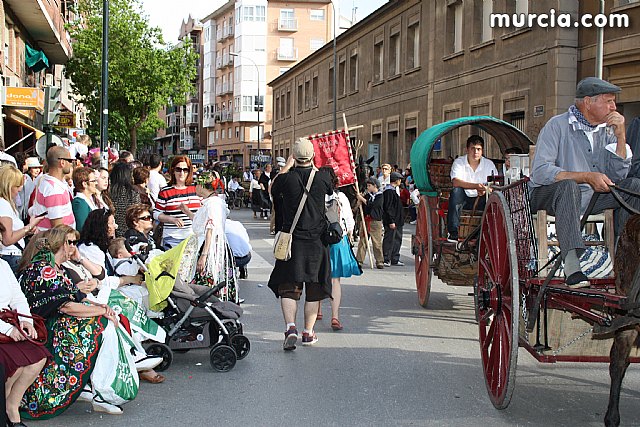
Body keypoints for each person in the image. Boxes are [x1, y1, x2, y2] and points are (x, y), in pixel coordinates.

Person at [529, 77, 640, 288]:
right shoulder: (557, 126)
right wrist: (586, 176)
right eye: (608, 101)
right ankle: (572, 264)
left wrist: (621, 138)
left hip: (589, 199)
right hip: (549, 196)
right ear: (588, 102)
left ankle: (626, 257)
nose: (613, 107)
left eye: (613, 102)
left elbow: (618, 178)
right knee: (569, 187)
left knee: (634, 187)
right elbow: (541, 172)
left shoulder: (606, 130)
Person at [19, 227, 129, 417]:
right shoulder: (43, 270)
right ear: (61, 245)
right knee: (102, 327)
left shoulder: (55, 268)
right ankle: (101, 392)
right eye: (70, 243)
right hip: (44, 330)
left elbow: (77, 298)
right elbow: (66, 306)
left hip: (55, 324)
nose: (73, 247)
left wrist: (103, 308)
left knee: (108, 321)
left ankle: (97, 386)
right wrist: (102, 310)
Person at [268, 137, 333, 350]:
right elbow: (332, 194)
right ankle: (308, 332)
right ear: (312, 156)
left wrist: (287, 166)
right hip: (316, 243)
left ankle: (290, 327)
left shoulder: (286, 179)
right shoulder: (322, 178)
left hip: (291, 242)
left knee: (288, 288)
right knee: (314, 289)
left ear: (294, 157)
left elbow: (273, 190)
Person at [0, 258, 49, 427]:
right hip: (3, 328)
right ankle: (5, 408)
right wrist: (7, 329)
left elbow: (18, 296)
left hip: (7, 323)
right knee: (16, 364)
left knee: (38, 357)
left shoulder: (3, 265)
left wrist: (25, 320)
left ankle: (11, 406)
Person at [317, 167, 361, 331]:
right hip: (337, 239)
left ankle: (318, 309)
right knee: (335, 280)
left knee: (319, 275)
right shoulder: (341, 196)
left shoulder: (316, 195)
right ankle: (335, 316)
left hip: (320, 239)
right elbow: (350, 223)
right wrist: (349, 233)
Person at [191, 172, 235, 302]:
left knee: (208, 279)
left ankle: (211, 307)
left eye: (196, 184)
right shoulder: (214, 202)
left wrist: (204, 255)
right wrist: (185, 211)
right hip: (214, 246)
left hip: (211, 248)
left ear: (201, 185)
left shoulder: (212, 204)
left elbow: (210, 229)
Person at [447, 135, 498, 243]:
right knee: (456, 191)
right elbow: (456, 181)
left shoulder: (489, 165)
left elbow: (495, 185)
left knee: (493, 198)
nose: (476, 152)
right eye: (473, 149)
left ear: (482, 150)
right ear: (467, 149)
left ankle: (484, 234)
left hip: (481, 199)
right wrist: (476, 186)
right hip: (464, 198)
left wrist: (485, 190)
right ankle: (454, 232)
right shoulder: (459, 162)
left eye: (478, 149)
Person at [0, 166, 43, 274]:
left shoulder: (7, 203)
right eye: (17, 186)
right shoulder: (3, 205)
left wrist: (28, 230)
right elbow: (7, 239)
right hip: (10, 256)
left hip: (12, 254)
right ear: (8, 186)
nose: (20, 189)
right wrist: (29, 227)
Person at [154, 155, 202, 248]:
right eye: (178, 169)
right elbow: (156, 213)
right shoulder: (165, 191)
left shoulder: (196, 190)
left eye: (185, 170)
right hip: (171, 239)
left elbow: (205, 213)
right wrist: (171, 219)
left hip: (193, 239)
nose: (182, 173)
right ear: (173, 170)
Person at [28, 146, 76, 231]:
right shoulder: (54, 190)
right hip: (55, 241)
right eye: (70, 161)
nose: (71, 163)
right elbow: (57, 228)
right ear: (62, 162)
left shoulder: (47, 181)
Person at [355, 177, 385, 269]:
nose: (368, 187)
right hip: (366, 220)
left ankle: (379, 261)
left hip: (375, 221)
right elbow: (360, 206)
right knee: (363, 242)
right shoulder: (367, 195)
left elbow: (374, 205)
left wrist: (363, 199)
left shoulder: (380, 196)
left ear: (374, 186)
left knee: (376, 242)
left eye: (369, 186)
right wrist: (359, 199)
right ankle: (359, 260)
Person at [109, 162, 141, 237]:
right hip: (130, 233)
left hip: (113, 233)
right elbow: (137, 213)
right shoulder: (133, 193)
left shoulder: (109, 193)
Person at [382, 172, 405, 266]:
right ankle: (386, 258)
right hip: (392, 221)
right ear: (397, 180)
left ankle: (395, 258)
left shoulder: (394, 190)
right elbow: (389, 207)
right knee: (389, 239)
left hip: (398, 220)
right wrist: (391, 220)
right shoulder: (389, 191)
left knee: (397, 239)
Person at [71, 167, 98, 232]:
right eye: (93, 181)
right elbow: (82, 228)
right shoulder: (79, 203)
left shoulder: (90, 198)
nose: (96, 183)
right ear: (84, 184)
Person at [17, 157, 42, 222]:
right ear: (29, 169)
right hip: (23, 214)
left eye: (38, 168)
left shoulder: (37, 180)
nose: (37, 170)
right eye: (35, 168)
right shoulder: (26, 179)